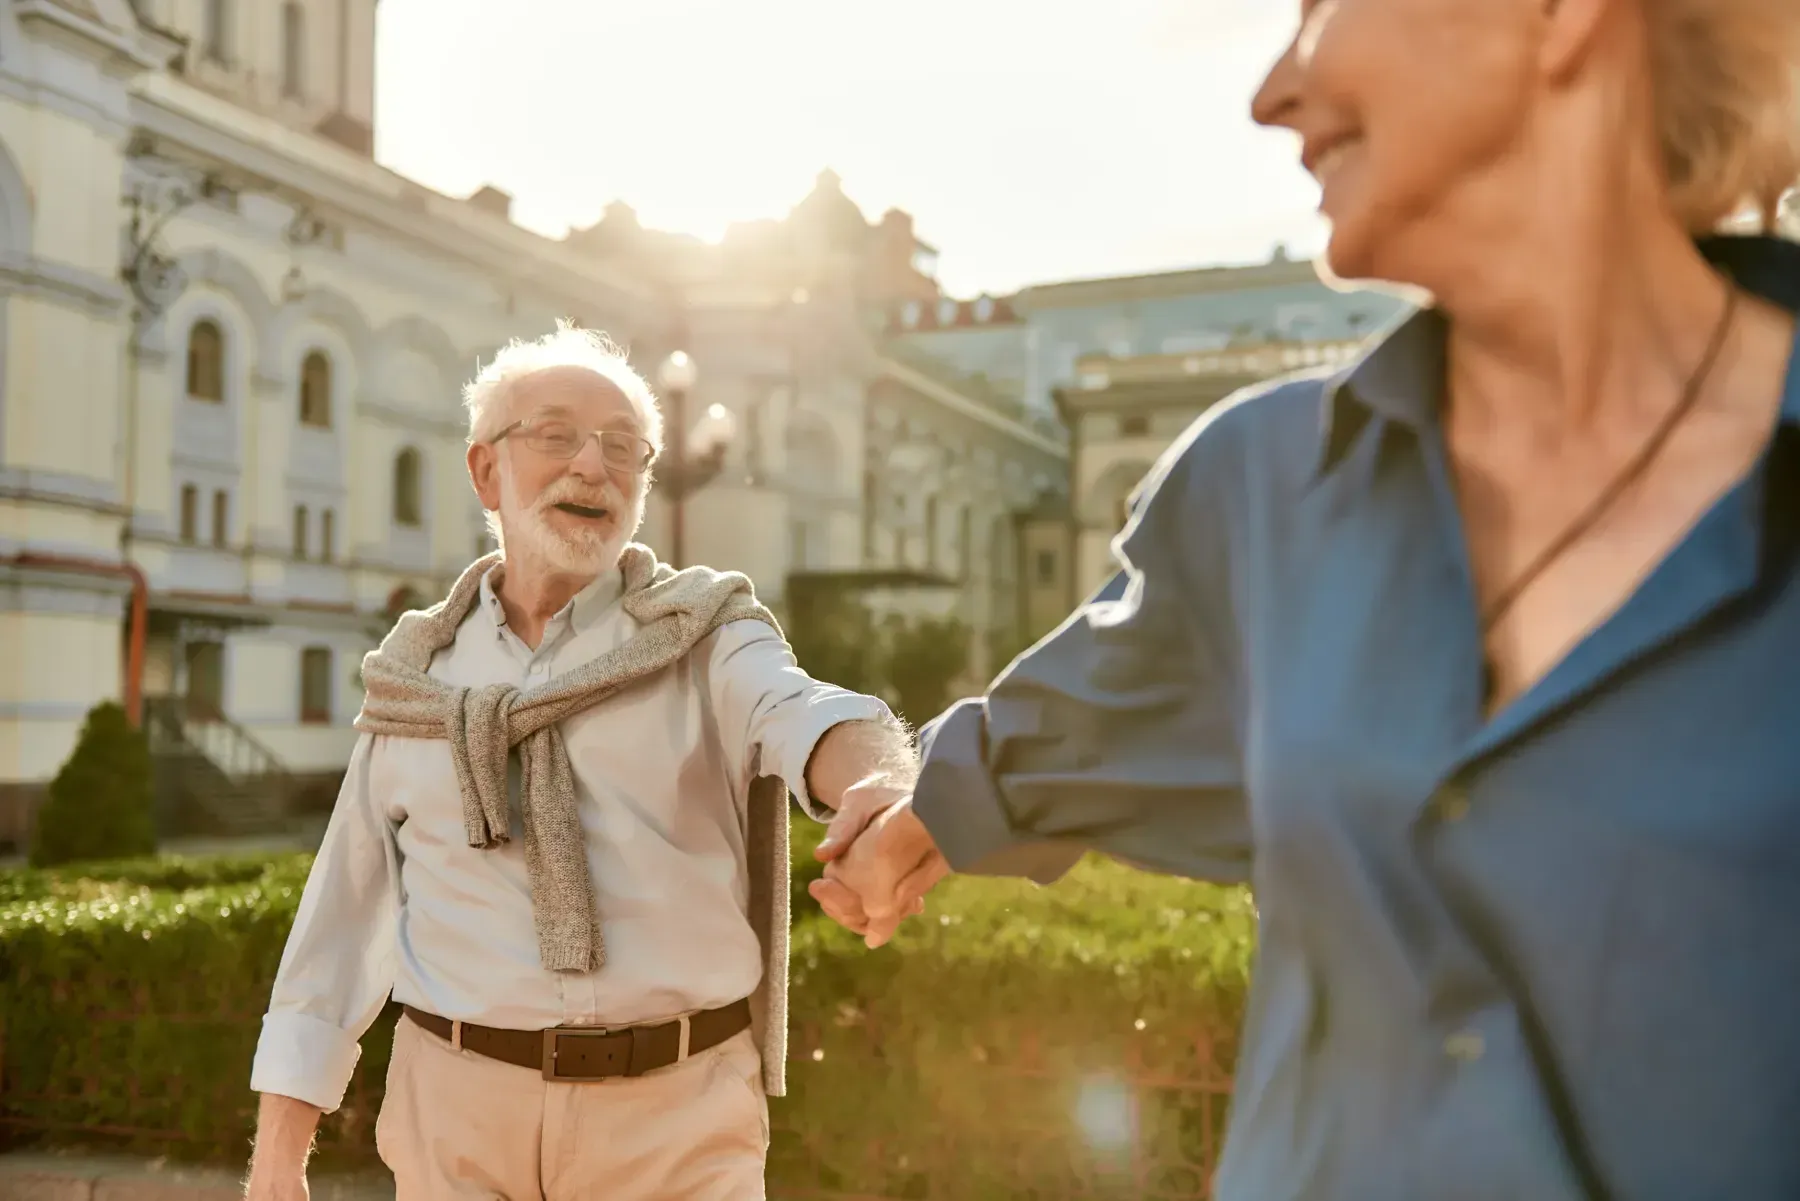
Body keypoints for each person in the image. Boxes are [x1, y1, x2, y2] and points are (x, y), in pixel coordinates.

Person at [812, 2, 1800, 1199]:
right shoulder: (1262, 489)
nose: (1273, 90)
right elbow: (1064, 740)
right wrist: (905, 818)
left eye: (1324, 8)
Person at [243, 325, 914, 1201]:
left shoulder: (706, 634)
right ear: (486, 471)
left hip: (678, 1127)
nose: (593, 466)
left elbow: (805, 711)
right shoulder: (414, 677)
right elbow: (341, 919)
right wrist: (275, 1159)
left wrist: (879, 782)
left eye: (624, 446)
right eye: (555, 435)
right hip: (455, 1120)